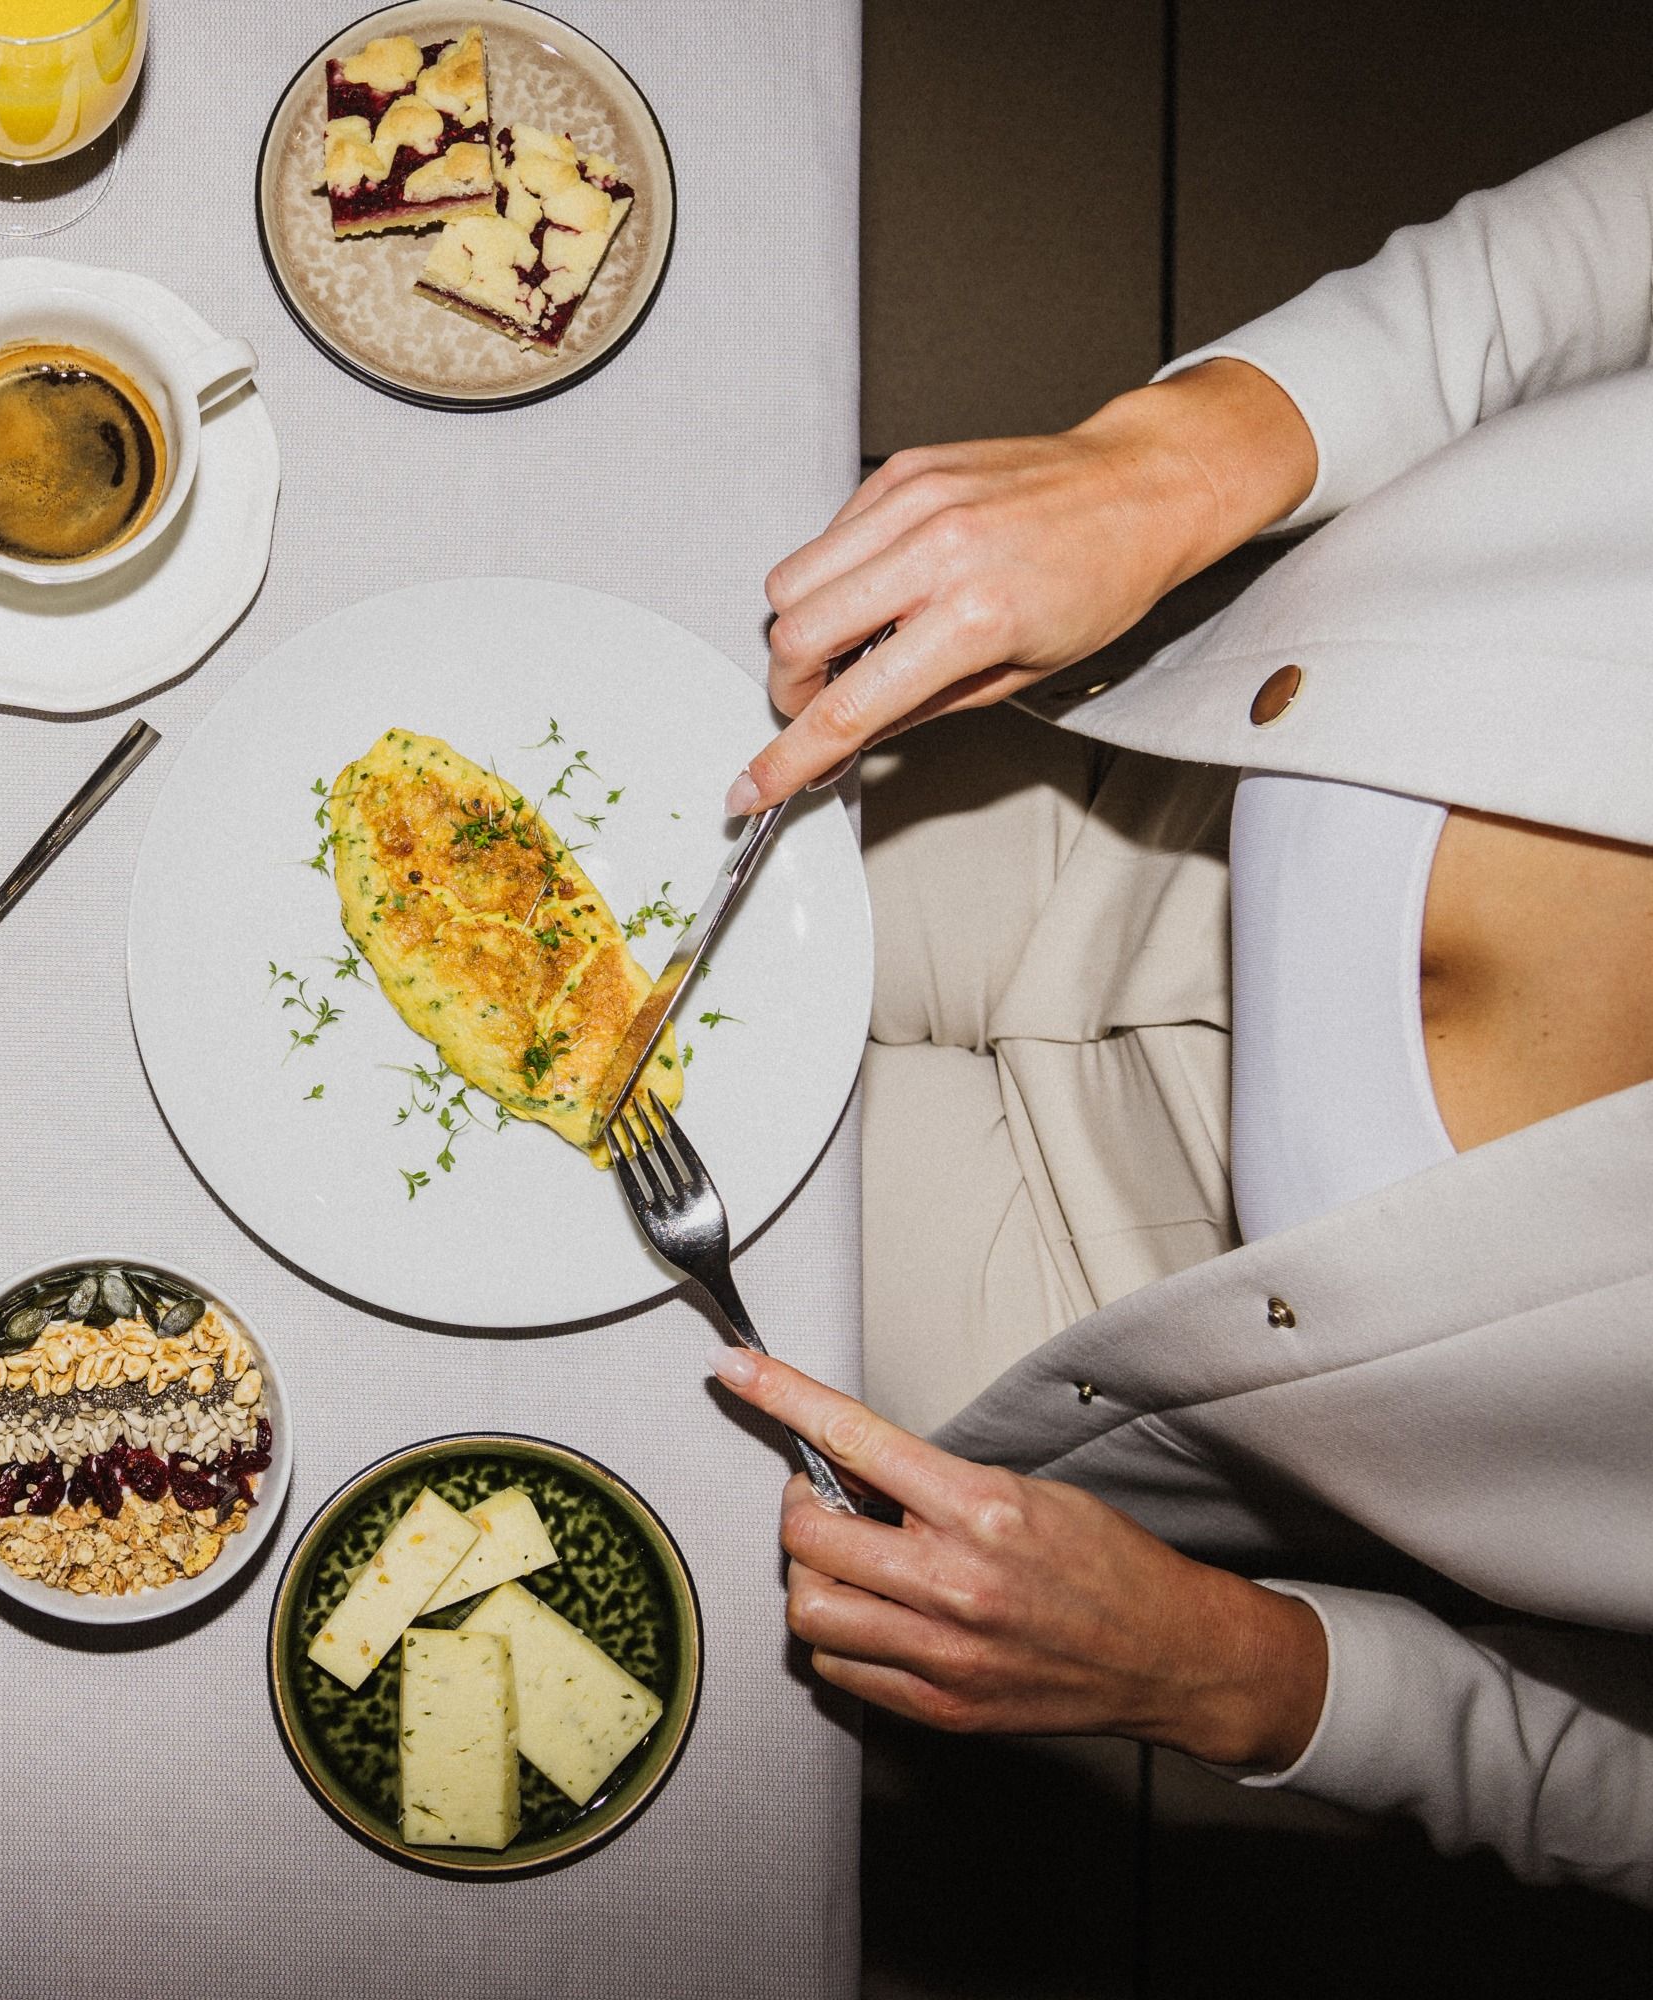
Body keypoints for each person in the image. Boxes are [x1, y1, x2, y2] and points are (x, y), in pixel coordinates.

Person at [708, 113, 1653, 1902]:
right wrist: (1178, 457)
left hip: (1145, 1327)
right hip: (1166, 751)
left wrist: (1236, 1677)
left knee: (481, 1330)